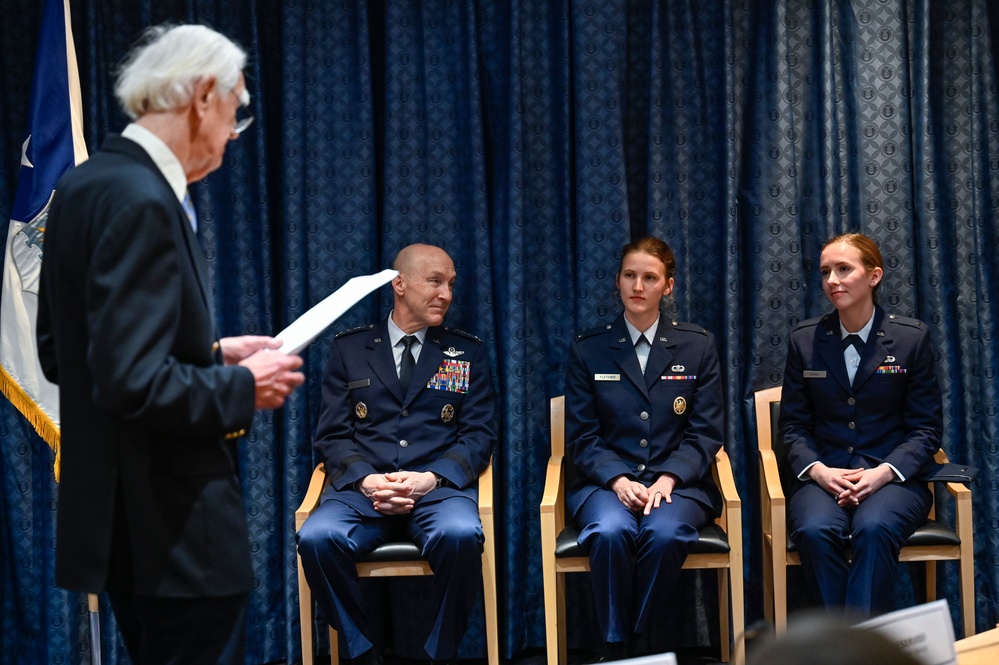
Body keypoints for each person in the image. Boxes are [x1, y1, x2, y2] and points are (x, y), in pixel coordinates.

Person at [35, 24, 305, 664]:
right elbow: (131, 380)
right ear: (202, 95)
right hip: (177, 532)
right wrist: (244, 385)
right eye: (235, 109)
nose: (234, 132)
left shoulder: (84, 185)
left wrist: (210, 356)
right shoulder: (144, 201)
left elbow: (65, 353)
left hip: (123, 527)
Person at [297, 243, 496, 665]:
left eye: (450, 284)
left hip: (436, 492)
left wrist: (432, 478)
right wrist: (367, 480)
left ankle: (438, 655)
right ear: (399, 284)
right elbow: (332, 435)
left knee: (461, 536)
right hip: (360, 493)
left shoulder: (466, 352)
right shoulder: (349, 350)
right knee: (316, 539)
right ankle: (363, 651)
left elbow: (479, 434)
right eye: (435, 281)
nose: (446, 294)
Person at [564, 236, 725, 661]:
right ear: (617, 281)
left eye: (649, 278)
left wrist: (670, 477)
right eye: (630, 275)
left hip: (680, 484)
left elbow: (707, 432)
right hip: (604, 484)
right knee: (610, 531)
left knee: (665, 532)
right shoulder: (589, 348)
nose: (638, 286)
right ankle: (620, 649)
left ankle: (637, 646)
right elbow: (581, 435)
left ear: (667, 286)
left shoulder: (697, 345)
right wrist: (617, 479)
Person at [778, 232, 942, 617]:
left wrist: (883, 473)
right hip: (824, 474)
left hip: (893, 478)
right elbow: (792, 427)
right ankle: (853, 647)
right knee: (815, 532)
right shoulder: (805, 340)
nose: (832, 280)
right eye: (825, 272)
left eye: (843, 269)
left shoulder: (910, 339)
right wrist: (819, 472)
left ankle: (854, 651)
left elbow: (926, 429)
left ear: (874, 276)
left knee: (873, 529)